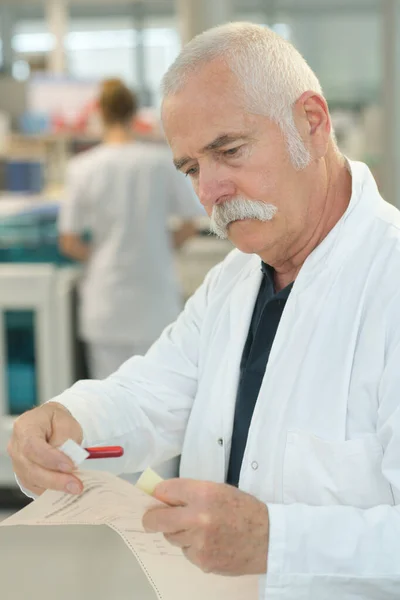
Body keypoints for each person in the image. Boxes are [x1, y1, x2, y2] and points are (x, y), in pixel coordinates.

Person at [8, 23, 400, 599]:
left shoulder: (387, 282)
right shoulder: (234, 282)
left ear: (312, 124)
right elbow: (149, 395)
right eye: (191, 168)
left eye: (230, 150)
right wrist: (67, 420)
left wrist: (275, 539)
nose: (210, 191)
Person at [58, 78, 202, 380]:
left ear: (100, 112)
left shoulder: (82, 167)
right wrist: (158, 248)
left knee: (106, 401)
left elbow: (69, 241)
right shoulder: (160, 163)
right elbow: (190, 224)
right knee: (160, 394)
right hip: (155, 297)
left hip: (106, 299)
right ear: (134, 112)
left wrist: (101, 257)